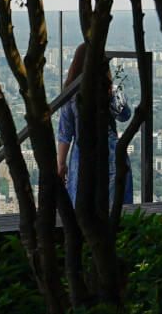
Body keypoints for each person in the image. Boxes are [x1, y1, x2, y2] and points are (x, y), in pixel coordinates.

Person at [56, 42, 133, 212]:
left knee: (83, 208)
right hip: (112, 153)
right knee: (113, 211)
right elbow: (125, 115)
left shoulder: (71, 94)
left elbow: (65, 133)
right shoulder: (109, 91)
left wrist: (61, 164)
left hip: (81, 154)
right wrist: (114, 93)